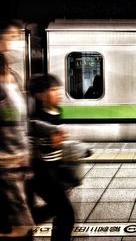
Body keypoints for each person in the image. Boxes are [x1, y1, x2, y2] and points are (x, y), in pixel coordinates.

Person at [28, 74, 75, 241]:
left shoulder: (56, 112)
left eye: (58, 89)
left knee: (62, 215)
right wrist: (52, 135)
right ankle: (25, 220)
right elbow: (33, 131)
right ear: (39, 95)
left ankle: (25, 220)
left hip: (55, 170)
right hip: (42, 173)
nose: (59, 93)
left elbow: (57, 146)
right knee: (66, 214)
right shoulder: (37, 116)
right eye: (53, 90)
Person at [0, 21, 34, 240]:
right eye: (12, 36)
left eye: (19, 37)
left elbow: (18, 122)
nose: (18, 43)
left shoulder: (14, 76)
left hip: (20, 167)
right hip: (4, 170)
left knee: (24, 229)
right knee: (18, 231)